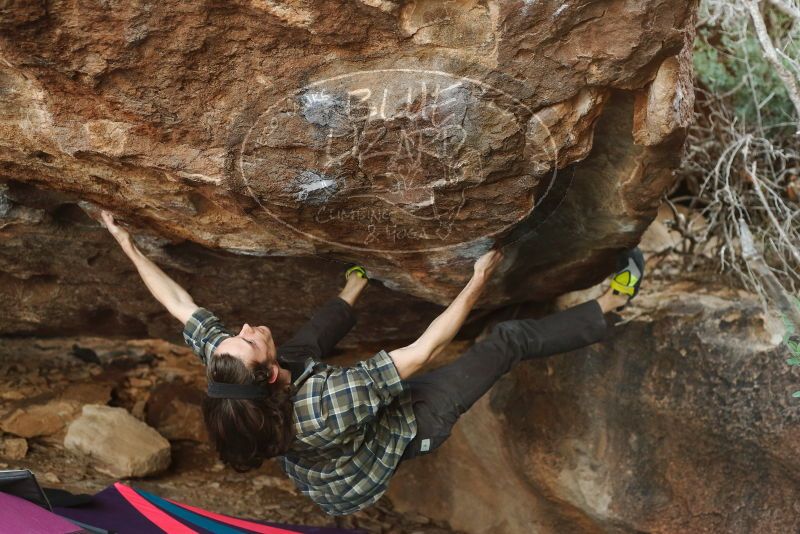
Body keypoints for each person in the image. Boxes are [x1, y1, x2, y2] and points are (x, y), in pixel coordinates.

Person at [99, 209, 643, 516]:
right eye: (247, 341)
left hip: (317, 444)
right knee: (507, 339)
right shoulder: (326, 402)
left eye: (234, 338)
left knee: (305, 343)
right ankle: (613, 303)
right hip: (402, 432)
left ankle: (354, 286)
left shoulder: (231, 373)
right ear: (264, 377)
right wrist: (478, 278)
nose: (242, 330)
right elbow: (423, 351)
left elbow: (177, 304)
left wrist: (125, 242)